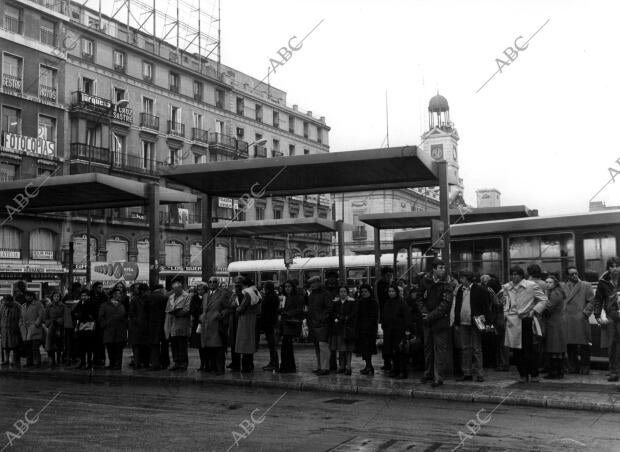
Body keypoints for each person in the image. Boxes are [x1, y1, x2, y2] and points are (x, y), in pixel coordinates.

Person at [503, 266, 548, 383]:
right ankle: (522, 374)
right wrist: (506, 313)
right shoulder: (507, 287)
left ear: (522, 275)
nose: (514, 277)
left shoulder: (531, 285)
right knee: (516, 350)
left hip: (526, 320)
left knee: (529, 349)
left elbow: (543, 299)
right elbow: (505, 302)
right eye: (512, 274)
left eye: (517, 274)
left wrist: (534, 311)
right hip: (512, 321)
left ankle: (533, 373)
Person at [416, 259, 453, 387]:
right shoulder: (425, 281)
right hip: (427, 321)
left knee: (439, 350)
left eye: (443, 267)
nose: (443, 270)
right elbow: (419, 298)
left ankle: (438, 377)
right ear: (434, 269)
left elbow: (445, 305)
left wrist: (430, 316)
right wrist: (424, 311)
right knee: (428, 349)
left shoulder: (447, 284)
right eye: (440, 267)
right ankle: (428, 373)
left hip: (440, 322)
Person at [451, 270, 490, 382]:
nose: (460, 280)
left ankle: (479, 374)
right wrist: (457, 322)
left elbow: (485, 307)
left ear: (467, 278)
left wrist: (487, 323)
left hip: (476, 322)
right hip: (463, 323)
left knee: (477, 349)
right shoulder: (459, 290)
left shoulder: (479, 290)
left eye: (462, 278)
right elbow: (457, 306)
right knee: (465, 349)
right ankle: (467, 373)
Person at [563, 267, 595, 375]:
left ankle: (585, 366)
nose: (575, 276)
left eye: (576, 273)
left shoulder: (586, 285)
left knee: (584, 345)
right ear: (567, 276)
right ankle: (573, 366)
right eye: (572, 274)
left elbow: (592, 301)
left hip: (580, 318)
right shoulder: (563, 286)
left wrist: (585, 313)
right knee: (570, 345)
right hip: (568, 318)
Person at [592, 257, 620, 382]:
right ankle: (614, 371)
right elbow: (598, 299)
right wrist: (597, 316)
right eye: (612, 266)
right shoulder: (603, 282)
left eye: (617, 266)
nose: (615, 268)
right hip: (611, 317)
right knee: (612, 345)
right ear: (608, 268)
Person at [200, 276, 231, 375]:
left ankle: (219, 368)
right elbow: (203, 309)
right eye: (210, 282)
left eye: (214, 282)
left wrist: (221, 315)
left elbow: (228, 308)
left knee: (218, 348)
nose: (212, 283)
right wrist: (201, 316)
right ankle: (211, 367)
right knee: (208, 348)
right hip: (207, 325)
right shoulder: (205, 295)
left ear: (217, 283)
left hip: (217, 324)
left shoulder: (223, 294)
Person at [382, 283, 412, 379]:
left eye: (393, 291)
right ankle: (395, 369)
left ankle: (402, 371)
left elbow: (407, 318)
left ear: (397, 292)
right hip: (389, 331)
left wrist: (407, 332)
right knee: (393, 352)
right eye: (389, 291)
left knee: (400, 352)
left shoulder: (402, 303)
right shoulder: (387, 303)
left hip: (399, 332)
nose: (391, 293)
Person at [232, 277, 261, 373]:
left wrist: (237, 309)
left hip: (245, 319)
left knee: (244, 342)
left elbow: (241, 307)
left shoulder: (246, 292)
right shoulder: (255, 291)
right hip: (252, 318)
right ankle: (249, 365)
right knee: (250, 341)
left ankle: (245, 367)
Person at [481, 274, 509, 371]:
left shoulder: (502, 294)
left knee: (502, 344)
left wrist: (494, 298)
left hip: (501, 322)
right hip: (498, 321)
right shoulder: (499, 293)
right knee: (499, 344)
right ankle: (500, 363)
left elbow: (501, 306)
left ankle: (504, 364)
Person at [306, 275, 332, 376]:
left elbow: (329, 308)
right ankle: (320, 366)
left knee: (323, 346)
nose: (311, 285)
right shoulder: (311, 295)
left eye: (313, 283)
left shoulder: (325, 294)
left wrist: (322, 319)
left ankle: (325, 368)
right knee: (317, 346)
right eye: (310, 284)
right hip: (314, 324)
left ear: (318, 283)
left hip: (322, 324)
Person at [543, 276, 567, 379]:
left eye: (550, 282)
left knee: (554, 348)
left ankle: (555, 372)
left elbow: (549, 308)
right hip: (557, 322)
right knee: (557, 348)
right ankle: (558, 371)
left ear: (555, 283)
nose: (547, 284)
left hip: (554, 323)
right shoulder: (557, 292)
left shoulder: (554, 294)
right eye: (546, 282)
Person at [329, 286, 357, 375]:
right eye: (341, 291)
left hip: (348, 329)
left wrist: (345, 318)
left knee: (348, 349)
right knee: (341, 349)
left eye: (344, 291)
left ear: (347, 293)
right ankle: (341, 366)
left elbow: (353, 314)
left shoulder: (351, 303)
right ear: (339, 293)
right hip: (338, 329)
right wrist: (337, 318)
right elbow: (332, 314)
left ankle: (348, 366)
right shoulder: (335, 303)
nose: (343, 293)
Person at [164, 280, 191, 371]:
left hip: (182, 323)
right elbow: (167, 309)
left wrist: (177, 312)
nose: (175, 291)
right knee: (174, 345)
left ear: (181, 288)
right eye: (174, 289)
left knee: (182, 345)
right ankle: (176, 362)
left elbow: (187, 309)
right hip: (172, 324)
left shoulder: (187, 296)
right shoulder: (171, 297)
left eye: (177, 289)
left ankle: (183, 363)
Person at [98, 287, 128, 370]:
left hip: (120, 331)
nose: (120, 296)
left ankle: (118, 364)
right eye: (118, 294)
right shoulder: (104, 305)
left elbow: (125, 316)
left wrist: (124, 323)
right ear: (113, 295)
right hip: (109, 330)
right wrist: (105, 324)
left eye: (120, 294)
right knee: (110, 348)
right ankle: (112, 363)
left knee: (119, 348)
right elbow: (101, 317)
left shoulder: (121, 305)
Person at [278, 280, 304, 373]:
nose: (287, 288)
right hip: (285, 323)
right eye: (285, 287)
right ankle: (287, 366)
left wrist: (288, 313)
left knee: (287, 346)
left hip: (291, 323)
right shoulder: (285, 297)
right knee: (285, 346)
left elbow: (300, 309)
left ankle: (288, 367)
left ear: (293, 287)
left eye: (289, 286)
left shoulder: (296, 297)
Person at [356, 284, 379, 375]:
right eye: (362, 292)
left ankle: (369, 367)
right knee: (364, 349)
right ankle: (368, 366)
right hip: (361, 329)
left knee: (368, 349)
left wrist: (369, 327)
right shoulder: (360, 302)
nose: (364, 293)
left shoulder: (373, 302)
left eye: (366, 291)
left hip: (370, 330)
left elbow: (374, 317)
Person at [73, 289, 98, 369]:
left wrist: (80, 315)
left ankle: (88, 362)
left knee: (89, 346)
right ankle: (83, 362)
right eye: (82, 296)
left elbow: (91, 314)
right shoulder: (80, 303)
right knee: (82, 346)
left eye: (85, 296)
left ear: (88, 296)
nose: (83, 297)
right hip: (82, 326)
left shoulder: (91, 303)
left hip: (89, 326)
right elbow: (74, 313)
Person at [146, 284, 169, 371]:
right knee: (164, 344)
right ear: (160, 289)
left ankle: (155, 363)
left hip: (152, 325)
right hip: (163, 324)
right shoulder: (165, 298)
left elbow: (146, 312)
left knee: (154, 345)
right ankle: (165, 363)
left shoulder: (148, 298)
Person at [44, 291, 68, 368]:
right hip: (51, 327)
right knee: (50, 344)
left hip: (59, 327)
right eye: (55, 296)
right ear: (52, 297)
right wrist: (48, 323)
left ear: (60, 297)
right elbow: (46, 317)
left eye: (58, 296)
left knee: (59, 343)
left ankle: (58, 359)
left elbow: (65, 316)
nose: (56, 298)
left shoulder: (63, 306)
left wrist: (60, 321)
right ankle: (52, 360)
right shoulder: (49, 306)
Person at [20, 291, 45, 368]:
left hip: (35, 329)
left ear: (33, 296)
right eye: (27, 296)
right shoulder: (23, 305)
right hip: (25, 330)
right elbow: (21, 316)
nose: (29, 297)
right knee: (28, 347)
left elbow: (41, 315)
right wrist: (20, 324)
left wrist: (36, 324)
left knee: (35, 347)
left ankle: (37, 363)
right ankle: (29, 362)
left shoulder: (38, 304)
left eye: (30, 296)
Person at [259, 281, 280, 371]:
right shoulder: (274, 296)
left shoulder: (269, 297)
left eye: (264, 287)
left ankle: (273, 363)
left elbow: (265, 310)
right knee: (272, 345)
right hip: (272, 322)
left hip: (269, 323)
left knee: (272, 345)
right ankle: (273, 362)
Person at [376, 267, 394, 371]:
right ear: (383, 275)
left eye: (391, 275)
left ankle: (390, 361)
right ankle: (387, 361)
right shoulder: (380, 285)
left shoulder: (391, 285)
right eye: (388, 275)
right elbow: (383, 299)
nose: (390, 278)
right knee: (386, 341)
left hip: (392, 317)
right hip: (385, 317)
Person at [0, 295, 22, 368]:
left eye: (6, 301)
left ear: (11, 301)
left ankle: (14, 361)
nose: (4, 302)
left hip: (14, 328)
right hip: (4, 329)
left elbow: (21, 317)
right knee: (5, 346)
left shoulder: (17, 306)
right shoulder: (3, 306)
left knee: (15, 346)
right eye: (4, 301)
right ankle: (7, 360)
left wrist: (19, 326)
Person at [90, 282, 108, 368]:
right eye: (99, 287)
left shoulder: (104, 297)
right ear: (95, 288)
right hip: (93, 321)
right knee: (94, 341)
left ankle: (101, 358)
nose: (100, 289)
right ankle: (95, 358)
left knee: (101, 341)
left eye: (101, 287)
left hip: (100, 321)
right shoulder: (91, 296)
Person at [190, 282, 207, 370]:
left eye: (202, 289)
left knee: (206, 344)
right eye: (198, 289)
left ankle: (207, 363)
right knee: (200, 345)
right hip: (198, 323)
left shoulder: (208, 297)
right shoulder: (194, 298)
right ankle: (202, 363)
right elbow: (192, 309)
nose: (200, 291)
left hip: (206, 322)